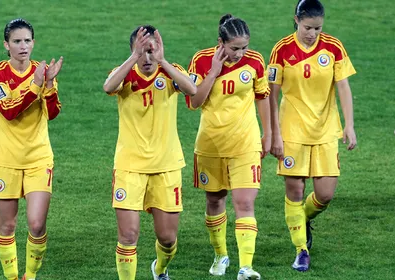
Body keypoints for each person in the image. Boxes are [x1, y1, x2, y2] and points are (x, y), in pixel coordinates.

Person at [267, 0, 357, 272]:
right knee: (295, 191)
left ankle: (301, 218)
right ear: (296, 20)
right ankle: (301, 250)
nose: (312, 33)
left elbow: (343, 87)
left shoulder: (333, 47)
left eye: (318, 28)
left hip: (326, 129)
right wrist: (273, 134)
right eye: (308, 27)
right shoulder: (281, 50)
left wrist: (349, 125)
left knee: (325, 195)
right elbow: (271, 95)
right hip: (291, 131)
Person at [103, 25, 197, 280]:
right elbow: (108, 87)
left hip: (166, 165)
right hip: (129, 166)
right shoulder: (124, 73)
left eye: (151, 51)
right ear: (133, 50)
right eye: (142, 51)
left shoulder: (170, 72)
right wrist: (133, 58)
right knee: (128, 235)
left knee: (167, 238)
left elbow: (192, 90)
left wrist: (163, 61)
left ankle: (160, 269)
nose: (147, 58)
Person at [186, 14, 271, 280]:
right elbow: (194, 102)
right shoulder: (201, 60)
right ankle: (220, 255)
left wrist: (269, 133)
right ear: (220, 42)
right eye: (234, 47)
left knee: (244, 202)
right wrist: (213, 70)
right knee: (215, 199)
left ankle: (246, 267)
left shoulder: (256, 61)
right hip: (211, 144)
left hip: (245, 143)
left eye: (244, 47)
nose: (240, 53)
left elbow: (262, 97)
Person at [0, 18, 63, 280]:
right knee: (7, 225)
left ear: (33, 43)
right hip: (5, 160)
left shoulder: (42, 72)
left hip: (38, 159)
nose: (23, 46)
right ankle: (11, 278)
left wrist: (49, 85)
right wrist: (36, 84)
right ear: (6, 45)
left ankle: (30, 276)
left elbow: (52, 113)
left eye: (27, 41)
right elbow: (7, 110)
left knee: (37, 224)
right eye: (17, 41)